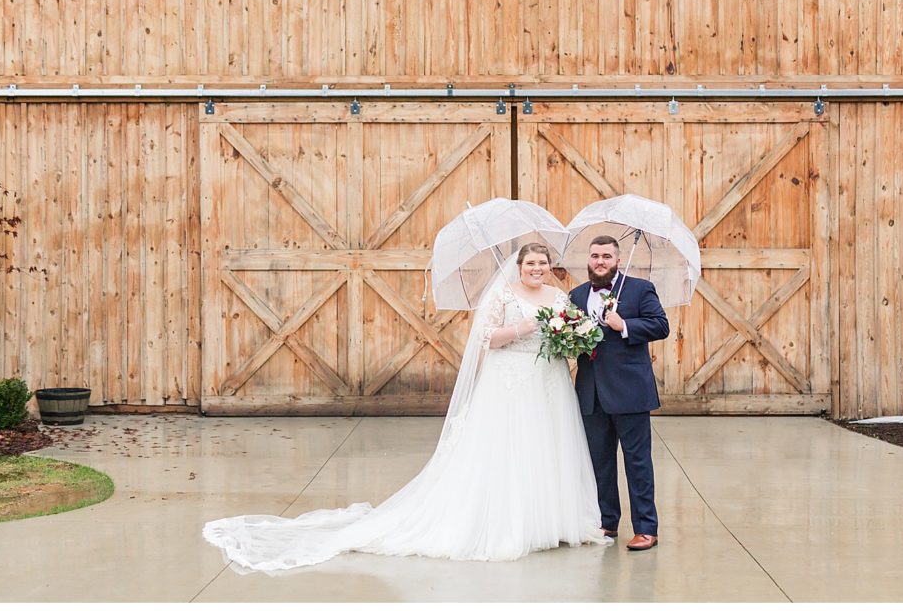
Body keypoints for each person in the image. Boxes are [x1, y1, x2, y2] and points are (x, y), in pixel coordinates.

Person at [203, 243, 608, 573]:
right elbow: (487, 341)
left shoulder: (558, 295)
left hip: (548, 382)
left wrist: (567, 337)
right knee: (507, 450)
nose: (537, 268)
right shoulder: (503, 295)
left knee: (545, 447)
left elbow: (567, 331)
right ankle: (511, 527)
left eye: (542, 263)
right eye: (530, 263)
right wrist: (527, 326)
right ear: (519, 267)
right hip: (509, 381)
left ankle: (549, 523)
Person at [568, 235, 669, 551]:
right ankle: (607, 522)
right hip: (591, 392)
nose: (599, 261)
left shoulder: (639, 289)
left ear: (618, 259)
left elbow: (660, 325)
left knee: (637, 462)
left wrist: (623, 324)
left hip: (630, 392)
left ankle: (646, 529)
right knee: (600, 462)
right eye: (595, 255)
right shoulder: (576, 295)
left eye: (606, 256)